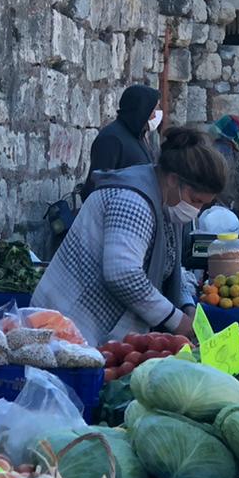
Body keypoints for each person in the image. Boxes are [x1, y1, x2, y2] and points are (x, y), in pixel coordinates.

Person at [32, 127, 226, 345]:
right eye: (195, 200)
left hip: (93, 331)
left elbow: (169, 267)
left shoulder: (166, 204)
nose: (195, 210)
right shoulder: (133, 201)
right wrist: (176, 320)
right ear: (173, 179)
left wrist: (186, 306)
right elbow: (122, 273)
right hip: (68, 324)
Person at [83, 85, 160, 198]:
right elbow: (96, 185)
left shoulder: (137, 136)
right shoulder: (111, 139)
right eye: (154, 109)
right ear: (142, 109)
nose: (155, 115)